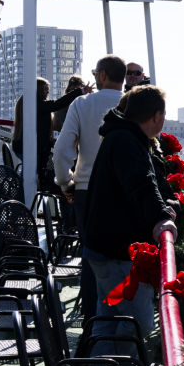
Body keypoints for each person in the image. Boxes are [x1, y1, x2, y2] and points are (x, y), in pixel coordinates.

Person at [82, 84, 176, 339]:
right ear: (156, 116)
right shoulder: (128, 141)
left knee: (108, 319)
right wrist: (161, 217)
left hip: (102, 245)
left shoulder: (120, 136)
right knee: (139, 323)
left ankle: (101, 361)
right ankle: (119, 361)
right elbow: (141, 183)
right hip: (117, 251)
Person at [54, 55, 127, 314]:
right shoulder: (132, 104)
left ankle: (91, 321)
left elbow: (62, 151)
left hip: (87, 190)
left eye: (96, 73)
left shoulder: (82, 104)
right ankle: (121, 317)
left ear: (103, 75)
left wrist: (66, 183)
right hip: (124, 192)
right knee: (124, 258)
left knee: (91, 258)